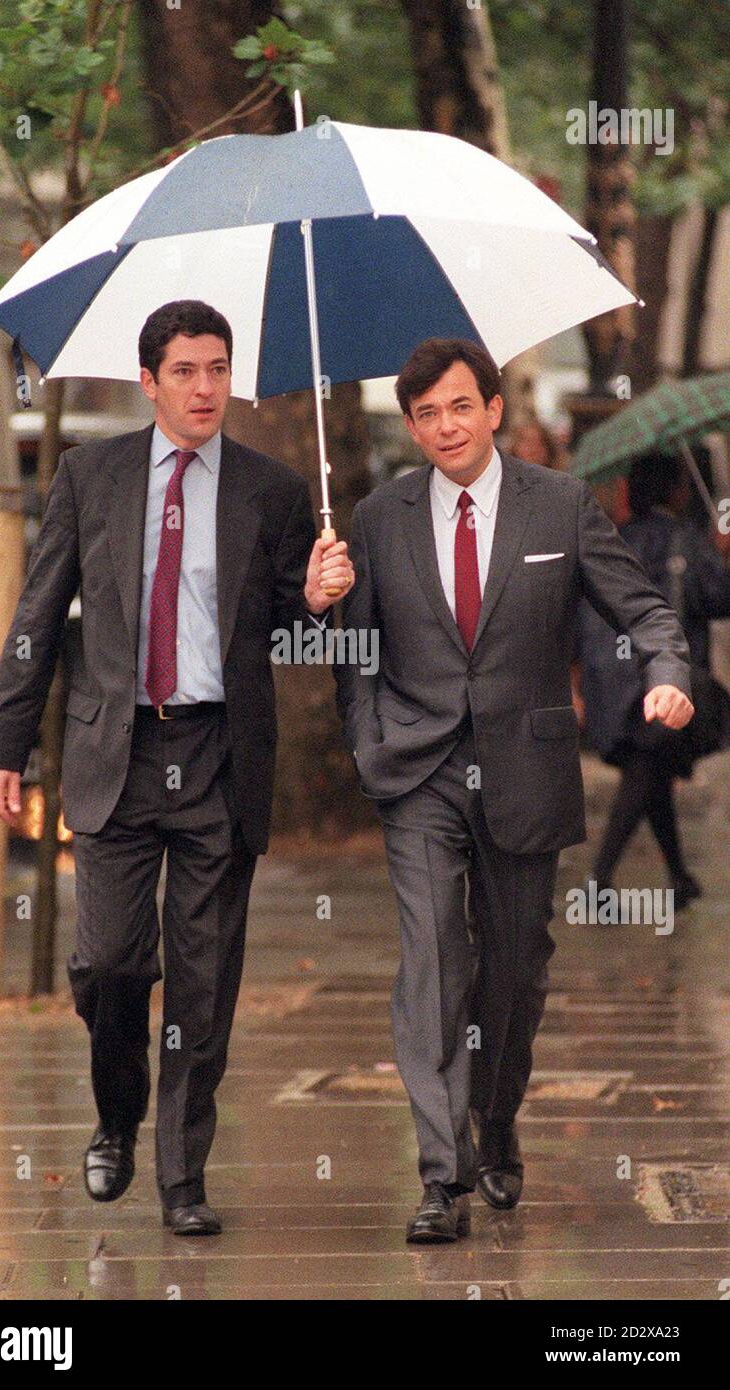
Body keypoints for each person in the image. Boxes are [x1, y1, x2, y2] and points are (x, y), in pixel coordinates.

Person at [0, 300, 354, 1236]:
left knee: (202, 978)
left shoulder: (271, 489)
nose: (204, 388)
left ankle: (182, 1176)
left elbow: (280, 611)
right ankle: (115, 1116)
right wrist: (1, 747)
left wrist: (312, 596)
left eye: (218, 369)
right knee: (110, 962)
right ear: (148, 382)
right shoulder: (89, 476)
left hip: (218, 754)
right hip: (117, 753)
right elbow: (35, 619)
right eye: (185, 371)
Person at [334, 338, 693, 1245]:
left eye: (460, 406)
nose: (445, 426)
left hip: (526, 770)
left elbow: (643, 607)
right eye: (425, 414)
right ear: (411, 427)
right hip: (416, 771)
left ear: (493, 409)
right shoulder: (376, 517)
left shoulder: (560, 505)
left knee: (514, 970)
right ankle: (439, 1174)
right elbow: (353, 648)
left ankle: (496, 1124)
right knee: (432, 961)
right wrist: (362, 720)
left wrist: (664, 669)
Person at [576, 451, 730, 909]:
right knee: (646, 769)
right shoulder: (685, 541)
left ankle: (678, 876)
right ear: (676, 490)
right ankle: (598, 881)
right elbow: (719, 597)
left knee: (652, 771)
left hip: (610, 678)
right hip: (661, 680)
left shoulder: (614, 539)